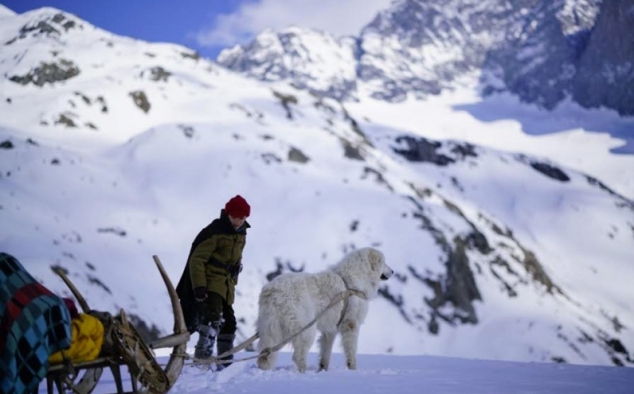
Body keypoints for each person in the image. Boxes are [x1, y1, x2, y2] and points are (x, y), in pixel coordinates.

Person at [176, 195, 251, 368]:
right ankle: (202, 360)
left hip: (226, 285)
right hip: (210, 281)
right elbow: (197, 260)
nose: (239, 221)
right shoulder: (215, 232)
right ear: (228, 214)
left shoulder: (241, 233)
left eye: (243, 217)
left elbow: (237, 259)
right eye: (235, 217)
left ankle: (224, 362)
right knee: (213, 318)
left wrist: (234, 280)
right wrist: (199, 286)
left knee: (229, 322)